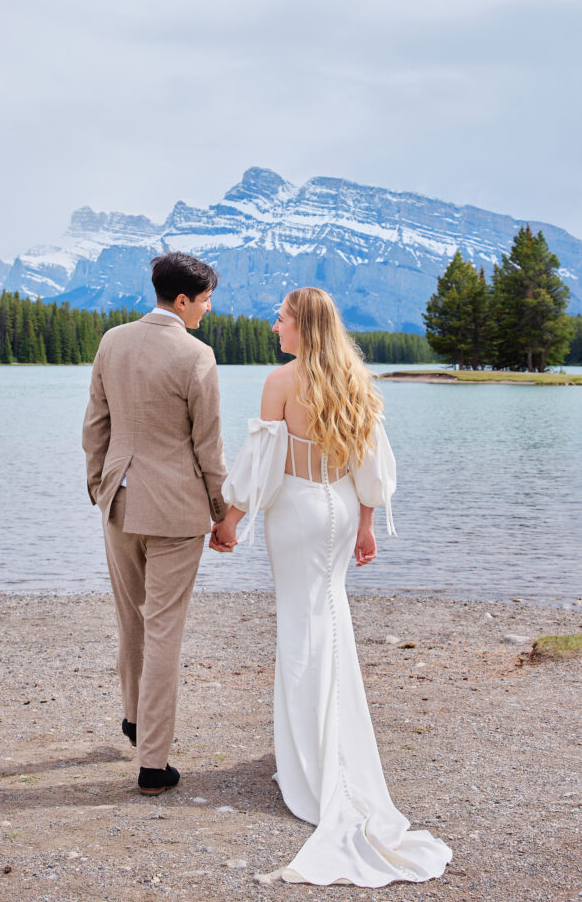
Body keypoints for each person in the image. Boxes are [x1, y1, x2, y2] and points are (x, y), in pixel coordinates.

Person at [212, 287, 452, 887]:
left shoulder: (281, 382)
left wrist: (231, 519)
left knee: (300, 627)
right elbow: (370, 464)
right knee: (332, 620)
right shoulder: (356, 380)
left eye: (282, 319)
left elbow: (263, 465)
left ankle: (310, 769)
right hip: (342, 511)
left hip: (296, 514)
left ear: (303, 326)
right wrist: (367, 525)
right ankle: (331, 751)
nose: (274, 327)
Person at [82, 252, 229, 796]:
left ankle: (134, 719)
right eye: (206, 299)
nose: (209, 309)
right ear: (184, 300)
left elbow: (96, 423)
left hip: (118, 503)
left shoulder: (111, 341)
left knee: (131, 620)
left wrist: (99, 485)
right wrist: (222, 512)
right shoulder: (197, 356)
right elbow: (208, 446)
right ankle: (152, 763)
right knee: (165, 629)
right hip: (176, 510)